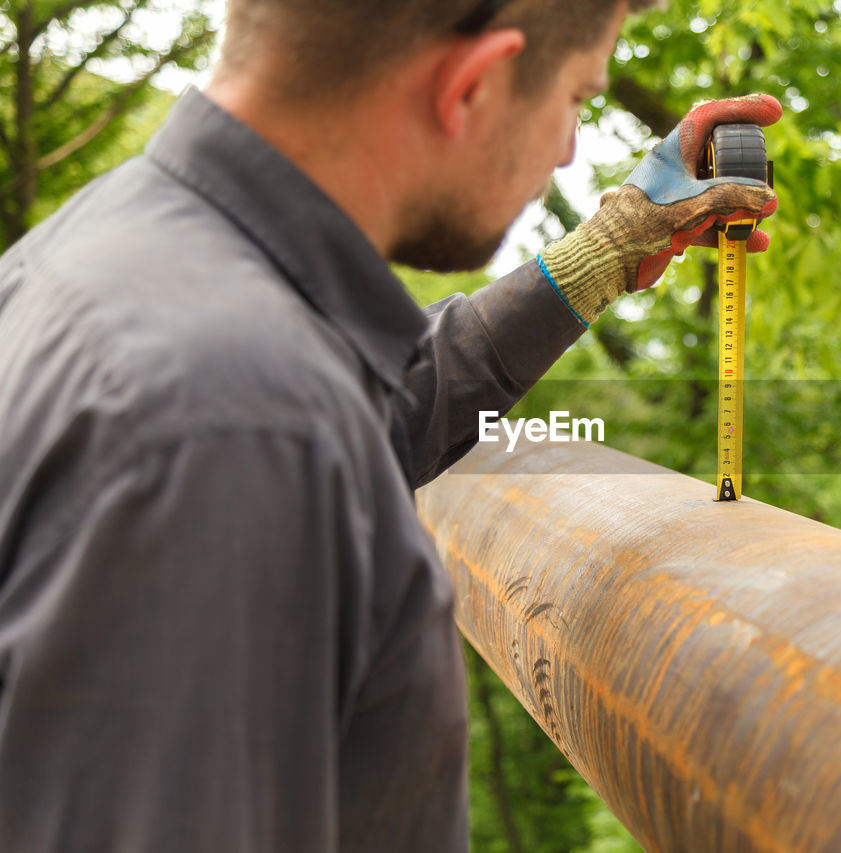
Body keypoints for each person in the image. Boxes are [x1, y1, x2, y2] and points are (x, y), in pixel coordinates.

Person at [0, 0, 779, 849]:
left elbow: (361, 412)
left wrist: (601, 254)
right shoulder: (230, 425)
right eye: (578, 100)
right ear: (472, 85)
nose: (566, 148)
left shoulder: (110, 253)